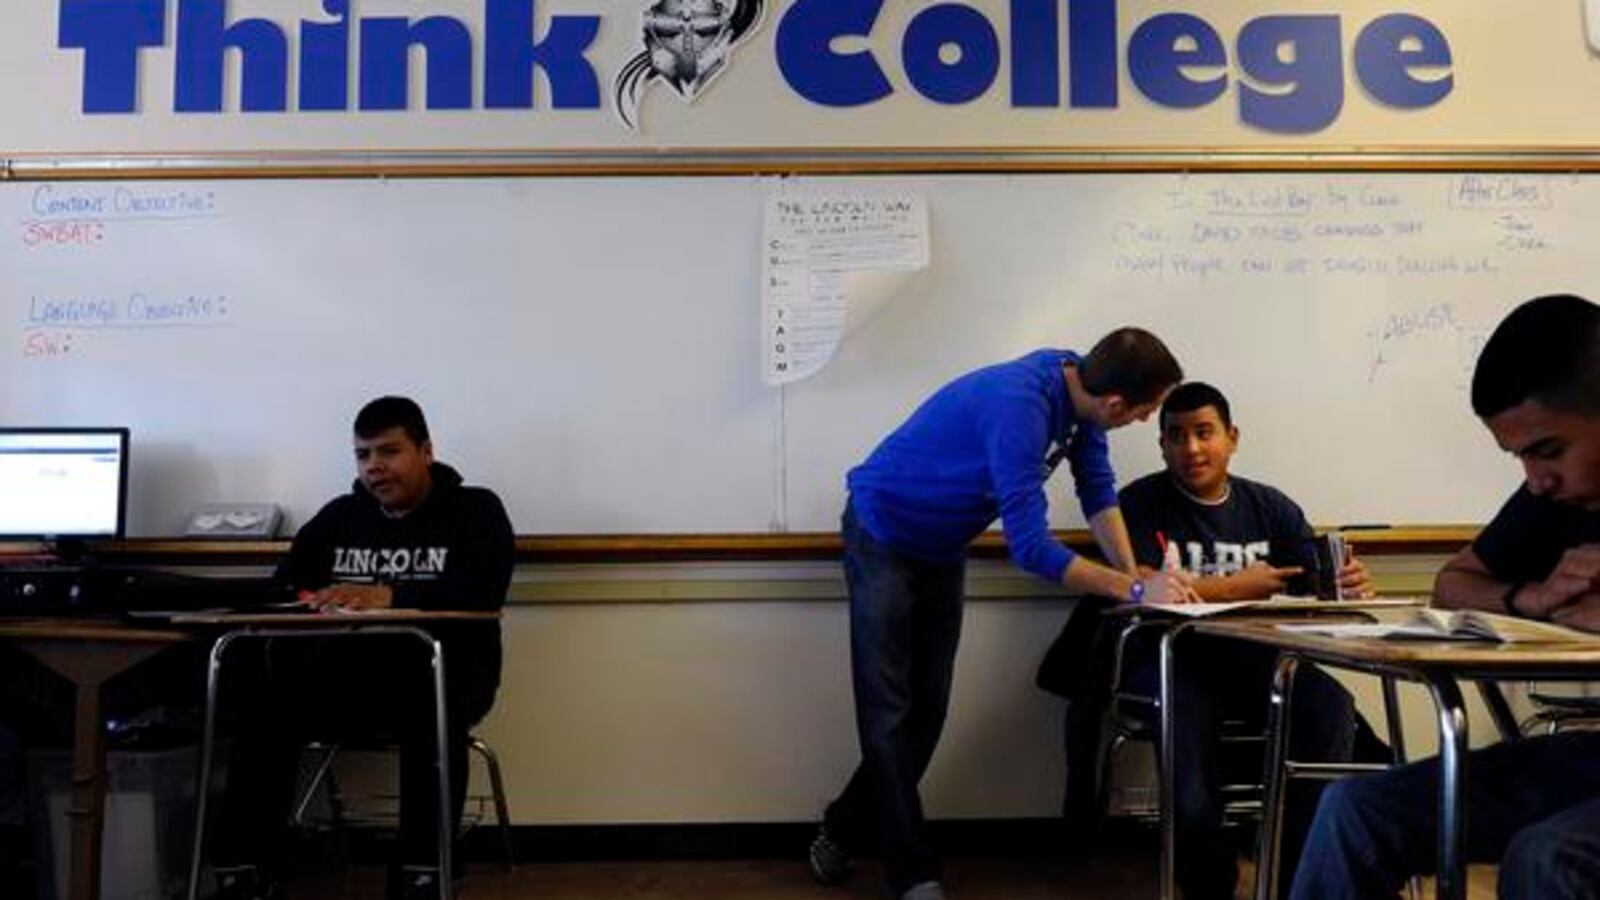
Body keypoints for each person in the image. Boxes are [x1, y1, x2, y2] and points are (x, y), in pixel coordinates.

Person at [808, 328, 1196, 900]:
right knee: (888, 713)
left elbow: (1097, 489)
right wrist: (1134, 593)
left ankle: (841, 826)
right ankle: (913, 873)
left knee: (928, 710)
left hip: (940, 548)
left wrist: (1135, 571)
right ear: (1116, 404)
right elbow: (1031, 548)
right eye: (1146, 412)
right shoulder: (1022, 407)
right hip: (882, 532)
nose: (1143, 422)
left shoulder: (1081, 395)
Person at [1289, 293, 1600, 900]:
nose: (1537, 480)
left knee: (1547, 858)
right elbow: (1453, 584)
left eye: (1548, 451)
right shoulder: (1553, 497)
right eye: (1520, 458)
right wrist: (1529, 599)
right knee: (1355, 810)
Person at [211, 396, 515, 900]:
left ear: (426, 451)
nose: (374, 466)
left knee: (430, 706)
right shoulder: (338, 518)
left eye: (389, 451)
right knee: (263, 703)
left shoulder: (475, 510)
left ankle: (423, 870)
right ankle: (242, 869)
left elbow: (483, 588)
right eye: (363, 455)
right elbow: (285, 588)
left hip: (447, 672)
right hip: (346, 674)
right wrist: (313, 602)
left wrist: (389, 595)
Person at [1089, 381, 1375, 900]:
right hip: (1165, 657)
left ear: (1232, 437)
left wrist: (1343, 581)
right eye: (1176, 436)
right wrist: (1229, 588)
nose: (1191, 448)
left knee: (1330, 706)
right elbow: (1141, 584)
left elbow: (1310, 579)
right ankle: (1207, 882)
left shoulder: (1269, 507)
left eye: (1204, 433)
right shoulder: (1138, 505)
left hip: (1253, 657)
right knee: (1187, 718)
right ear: (1161, 447)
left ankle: (1296, 873)